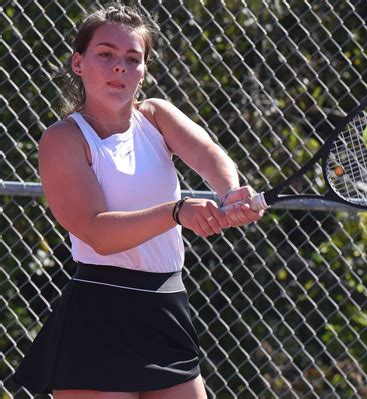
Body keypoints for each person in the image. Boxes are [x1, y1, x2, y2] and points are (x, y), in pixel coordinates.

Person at [13, 3, 262, 399]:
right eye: (106, 54)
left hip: (167, 307)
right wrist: (178, 212)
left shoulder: (157, 116)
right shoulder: (64, 139)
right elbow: (98, 232)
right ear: (78, 63)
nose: (120, 68)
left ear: (144, 71)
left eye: (133, 58)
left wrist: (231, 192)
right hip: (100, 316)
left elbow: (208, 154)